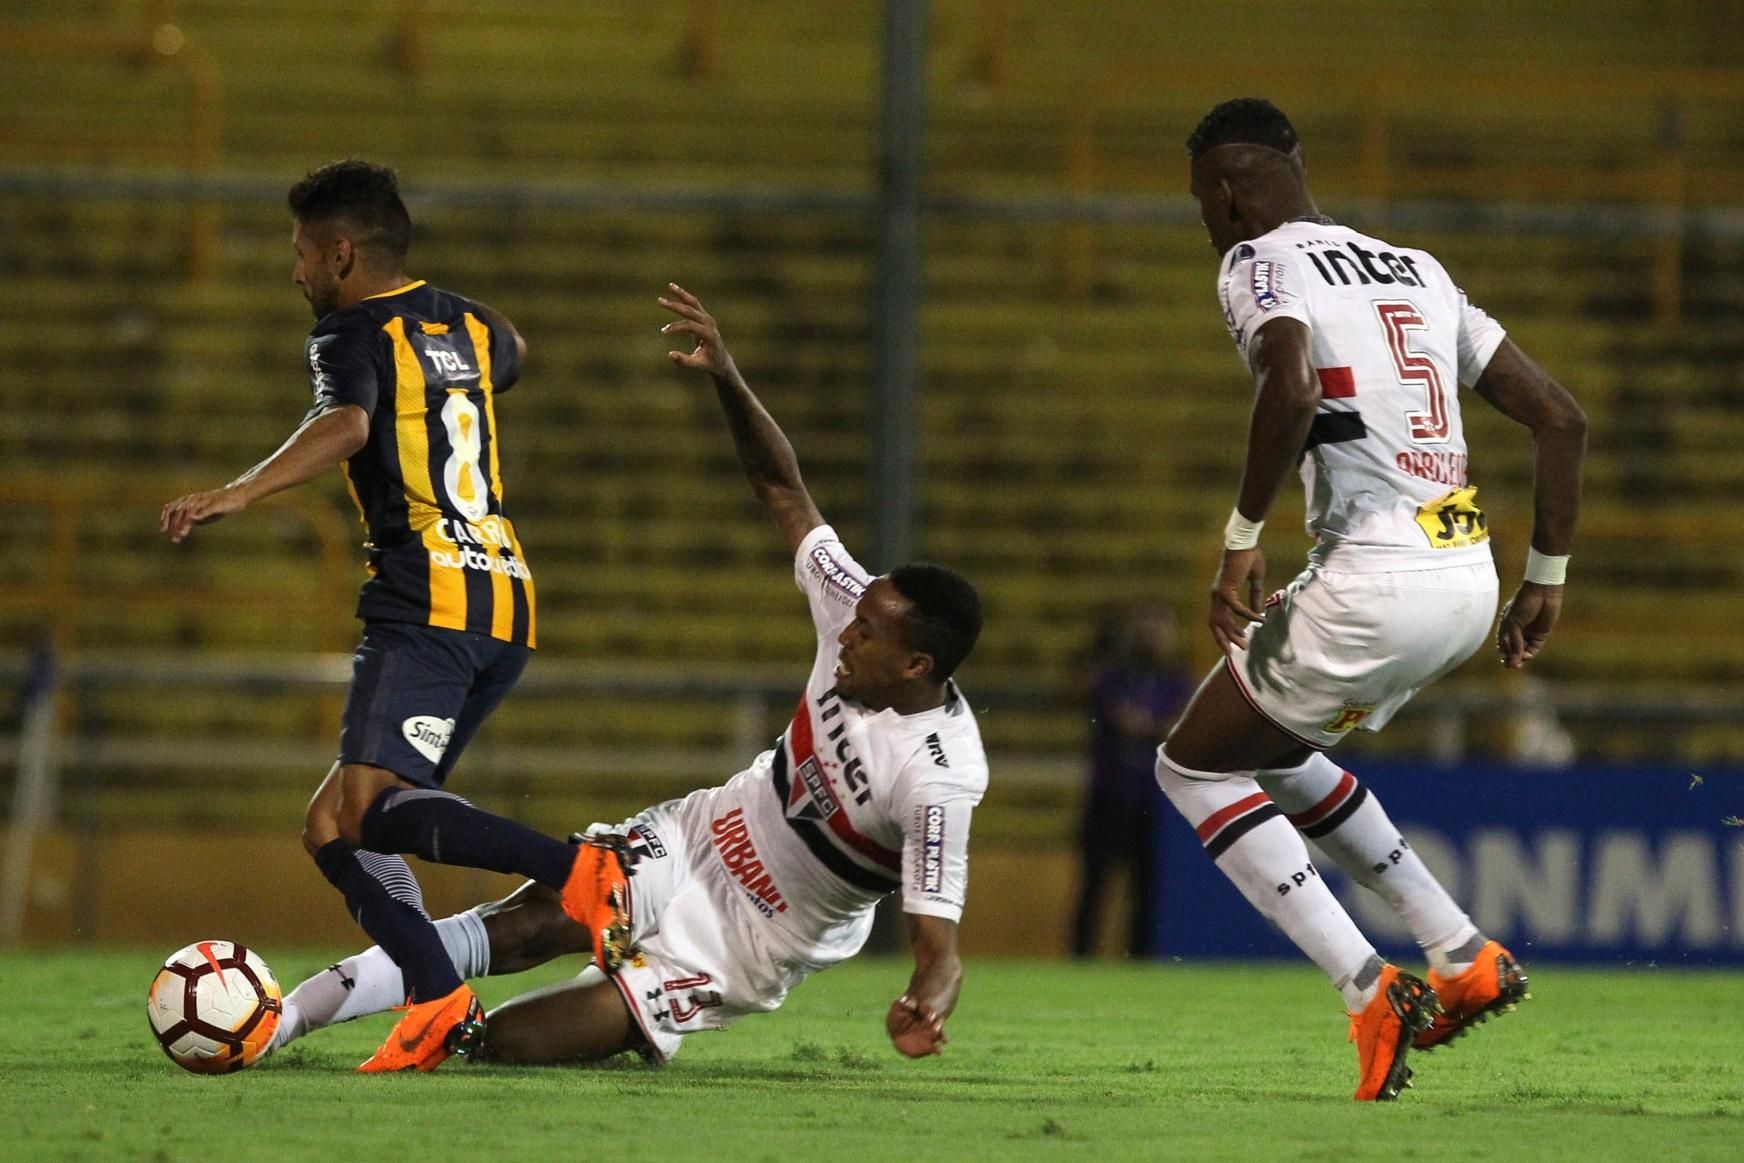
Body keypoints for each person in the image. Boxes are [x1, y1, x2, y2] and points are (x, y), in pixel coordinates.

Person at [267, 284, 989, 1067]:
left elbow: (938, 947)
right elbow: (784, 490)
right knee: (527, 923)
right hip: (702, 831)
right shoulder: (856, 601)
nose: (845, 628)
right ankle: (283, 1018)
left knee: (507, 1043)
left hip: (758, 933)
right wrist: (728, 376)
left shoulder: (939, 774)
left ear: (916, 664)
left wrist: (928, 1002)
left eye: (868, 632)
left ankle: (494, 1027)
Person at [159, 160, 631, 1073]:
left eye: (301, 254)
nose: (295, 272)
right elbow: (515, 352)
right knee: (337, 822)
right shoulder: (468, 320)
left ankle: (578, 872)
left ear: (341, 253)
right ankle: (435, 994)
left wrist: (241, 491)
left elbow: (348, 426)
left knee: (366, 811)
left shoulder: (346, 331)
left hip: (424, 599)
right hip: (503, 596)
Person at [1158, 99, 1586, 1101]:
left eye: (1201, 205)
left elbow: (1293, 388)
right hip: (1467, 572)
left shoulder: (1257, 262)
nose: (1205, 224)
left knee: (1189, 768)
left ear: (1225, 192)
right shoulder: (1420, 268)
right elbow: (1560, 419)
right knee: (1278, 751)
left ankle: (1366, 987)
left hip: (1376, 572)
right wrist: (1547, 579)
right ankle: (1458, 951)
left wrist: (1238, 543)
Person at [1069, 602, 1192, 958]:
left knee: (1147, 888)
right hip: (1108, 795)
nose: (1153, 634)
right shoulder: (1112, 676)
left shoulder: (1178, 681)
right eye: (1147, 623)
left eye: (1160, 625)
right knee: (1095, 884)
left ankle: (1141, 959)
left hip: (1154, 800)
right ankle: (1081, 957)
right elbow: (1076, 693)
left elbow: (1179, 724)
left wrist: (1148, 726)